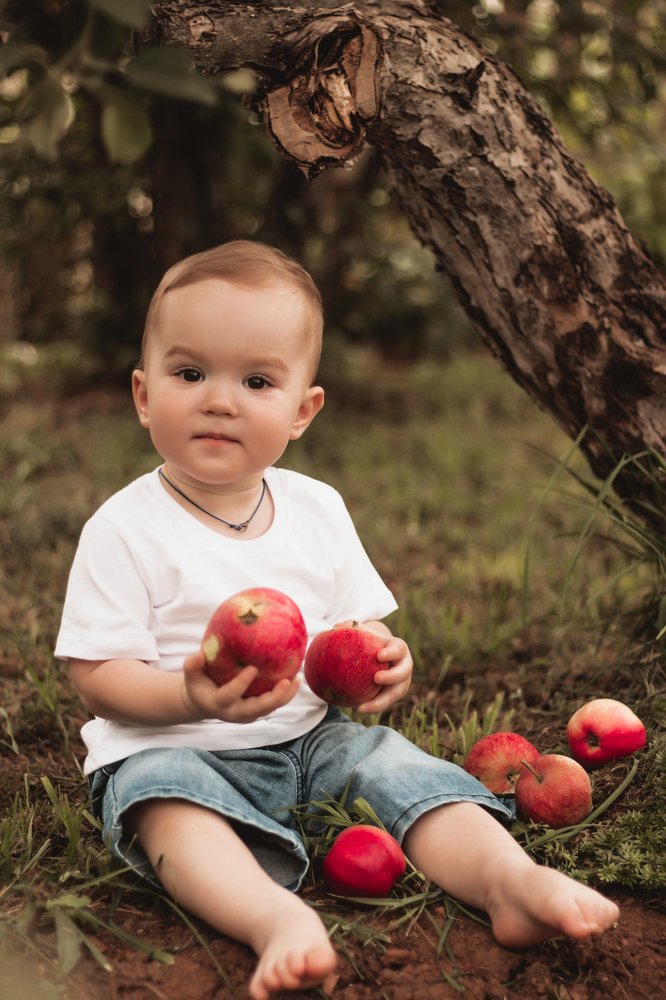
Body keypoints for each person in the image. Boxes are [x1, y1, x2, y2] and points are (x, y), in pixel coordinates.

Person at [55, 241, 619, 1000]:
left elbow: (354, 632)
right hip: (174, 745)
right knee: (165, 805)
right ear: (143, 394)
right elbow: (96, 675)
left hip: (316, 739)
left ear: (302, 411)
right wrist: (187, 697)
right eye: (189, 374)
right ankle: (273, 919)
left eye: (257, 381)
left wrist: (384, 660)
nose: (220, 400)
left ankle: (509, 881)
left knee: (397, 767)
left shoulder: (317, 509)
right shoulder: (124, 528)